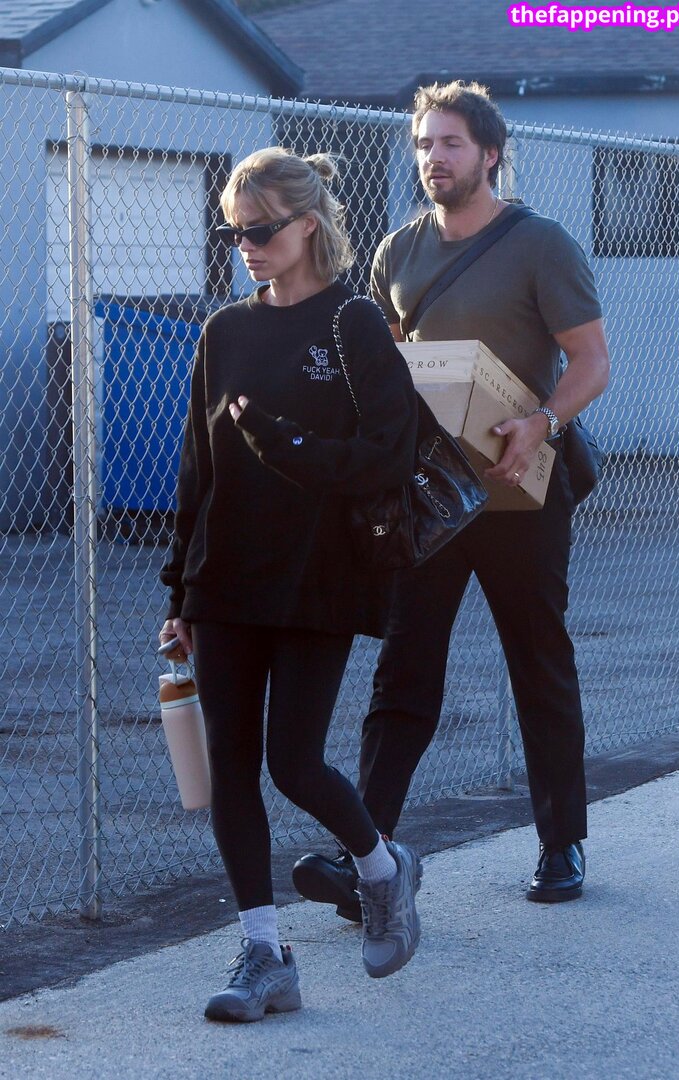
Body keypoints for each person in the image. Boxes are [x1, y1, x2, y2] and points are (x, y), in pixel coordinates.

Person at [293, 81, 610, 920]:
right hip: (428, 500)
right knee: (402, 675)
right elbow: (388, 368)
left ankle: (561, 842)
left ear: (490, 153)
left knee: (539, 664)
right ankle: (367, 859)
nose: (433, 158)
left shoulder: (541, 245)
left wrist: (542, 422)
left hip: (520, 494)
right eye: (424, 144)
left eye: (451, 144)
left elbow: (591, 362)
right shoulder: (397, 252)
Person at [159, 147, 422, 1023]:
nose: (246, 246)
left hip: (318, 577)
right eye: (232, 233)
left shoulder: (354, 323)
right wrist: (179, 595)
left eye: (261, 230)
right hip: (224, 579)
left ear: (308, 225)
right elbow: (197, 473)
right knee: (230, 766)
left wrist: (291, 448)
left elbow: (389, 456)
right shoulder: (223, 332)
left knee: (294, 762)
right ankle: (265, 954)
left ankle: (381, 869)